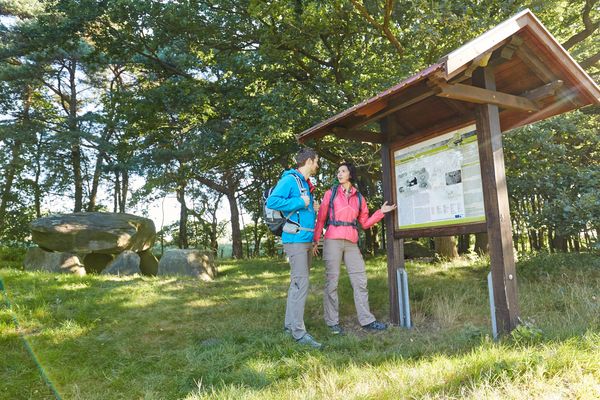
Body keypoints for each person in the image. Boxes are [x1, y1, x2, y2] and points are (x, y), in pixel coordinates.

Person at [313, 162, 396, 335]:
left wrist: (381, 212)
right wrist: (316, 240)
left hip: (351, 243)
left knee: (360, 281)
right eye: (338, 171)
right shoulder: (331, 193)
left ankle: (367, 320)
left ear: (350, 174)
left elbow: (365, 224)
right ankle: (332, 322)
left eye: (343, 171)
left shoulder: (359, 198)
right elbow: (321, 218)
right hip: (332, 240)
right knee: (332, 283)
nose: (339, 174)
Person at [266, 147, 322, 349]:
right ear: (308, 161)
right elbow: (273, 201)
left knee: (296, 284)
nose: (317, 165)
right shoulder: (290, 179)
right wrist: (301, 201)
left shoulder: (305, 184)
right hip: (295, 239)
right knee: (301, 283)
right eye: (316, 161)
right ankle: (299, 333)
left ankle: (290, 325)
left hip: (305, 239)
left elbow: (301, 209)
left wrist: (310, 207)